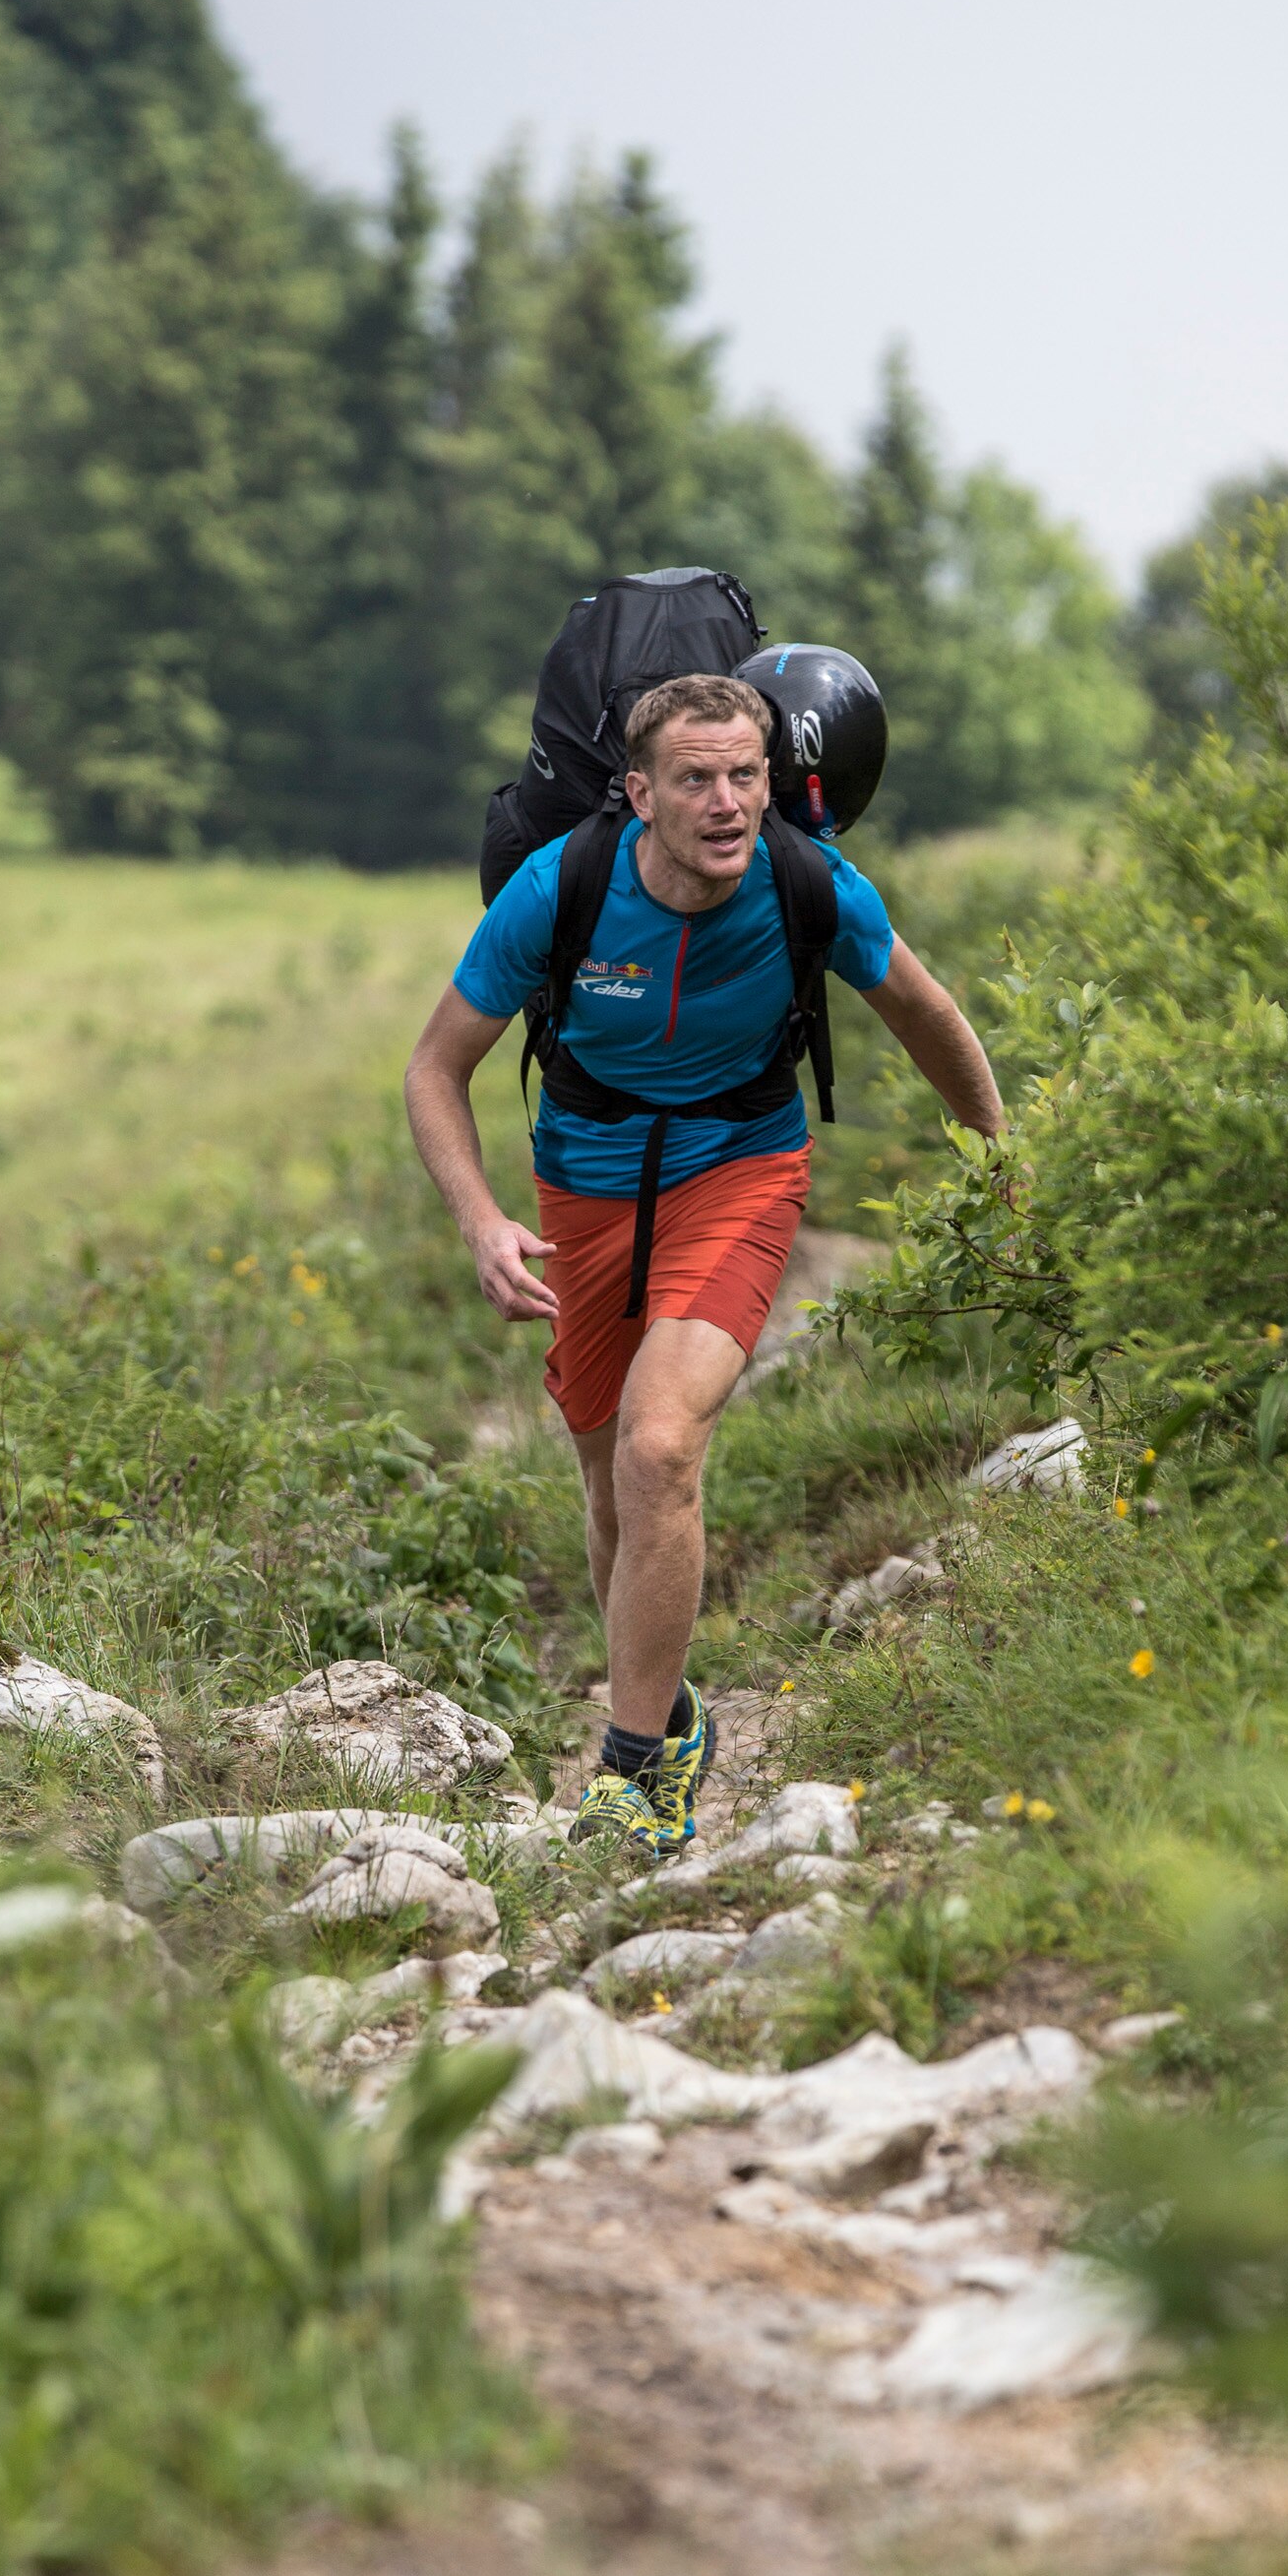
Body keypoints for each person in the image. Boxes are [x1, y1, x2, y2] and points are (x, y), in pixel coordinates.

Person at [404, 670, 1003, 1853]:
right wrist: (481, 1220)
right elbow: (435, 1068)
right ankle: (666, 1707)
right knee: (607, 1481)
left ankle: (633, 1770)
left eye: (745, 775)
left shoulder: (810, 888)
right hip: (583, 1183)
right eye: (695, 778)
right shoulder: (559, 889)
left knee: (662, 1443)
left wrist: (1001, 1159)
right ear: (638, 794)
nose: (727, 802)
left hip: (739, 1171)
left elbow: (930, 1015)